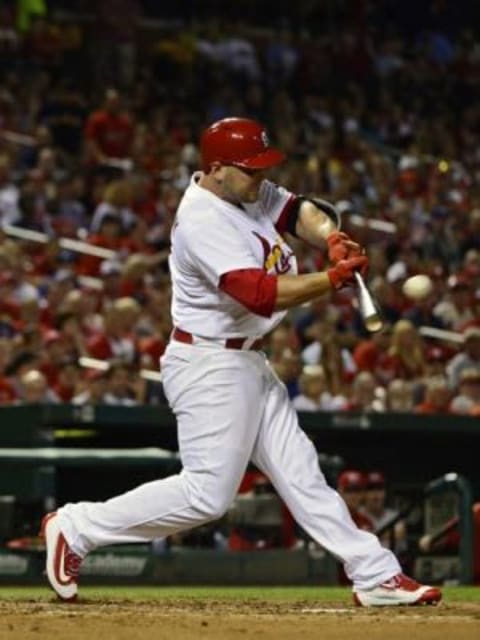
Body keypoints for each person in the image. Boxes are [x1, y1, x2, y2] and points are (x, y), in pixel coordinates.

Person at [40, 117, 441, 606]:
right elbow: (258, 294)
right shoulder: (203, 218)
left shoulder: (243, 189)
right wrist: (331, 279)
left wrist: (330, 237)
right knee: (207, 495)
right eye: (250, 170)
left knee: (301, 473)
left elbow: (297, 211)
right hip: (209, 362)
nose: (259, 178)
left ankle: (374, 573)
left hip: (247, 360)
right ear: (216, 169)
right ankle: (77, 526)